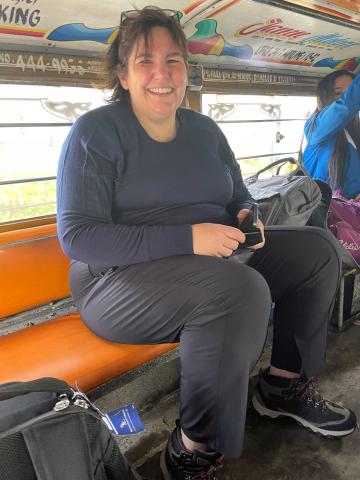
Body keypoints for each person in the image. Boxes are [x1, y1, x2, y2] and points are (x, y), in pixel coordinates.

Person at [56, 8, 357, 480]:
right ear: (122, 73)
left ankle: (281, 387)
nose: (162, 74)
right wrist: (188, 237)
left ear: (186, 70)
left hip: (206, 261)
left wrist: (246, 214)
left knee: (316, 251)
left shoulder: (204, 131)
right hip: (116, 283)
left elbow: (236, 192)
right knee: (238, 289)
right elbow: (79, 236)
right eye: (145, 61)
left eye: (174, 61)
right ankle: (191, 448)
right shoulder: (95, 133)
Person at [303, 70, 360, 200]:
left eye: (349, 92)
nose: (345, 97)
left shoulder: (352, 130)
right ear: (325, 95)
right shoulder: (315, 126)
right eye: (339, 93)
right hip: (331, 214)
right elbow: (345, 106)